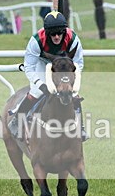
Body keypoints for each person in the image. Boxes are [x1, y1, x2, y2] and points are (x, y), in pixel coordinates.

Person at [7, 11, 87, 142]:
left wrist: (72, 81)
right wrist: (40, 84)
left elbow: (78, 64)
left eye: (59, 33)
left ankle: (81, 128)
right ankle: (16, 121)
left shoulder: (73, 39)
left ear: (64, 31)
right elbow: (29, 67)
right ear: (47, 32)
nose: (56, 36)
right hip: (43, 64)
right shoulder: (36, 41)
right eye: (52, 34)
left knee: (73, 94)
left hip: (64, 65)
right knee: (36, 93)